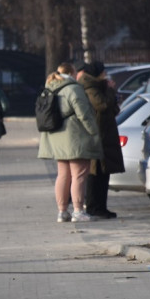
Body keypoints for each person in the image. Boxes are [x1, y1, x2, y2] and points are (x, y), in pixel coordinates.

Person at [38, 63, 102, 223]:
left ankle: (62, 211)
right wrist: (94, 132)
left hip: (56, 137)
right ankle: (79, 211)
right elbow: (84, 114)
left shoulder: (50, 87)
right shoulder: (74, 89)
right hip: (75, 137)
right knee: (79, 175)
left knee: (63, 175)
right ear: (72, 73)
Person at [76, 61, 123, 219]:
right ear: (97, 74)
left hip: (105, 133)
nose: (105, 75)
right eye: (103, 73)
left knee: (104, 173)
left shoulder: (98, 86)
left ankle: (101, 207)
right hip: (97, 134)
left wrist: (110, 93)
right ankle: (93, 207)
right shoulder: (90, 87)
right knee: (95, 173)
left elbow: (112, 107)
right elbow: (102, 105)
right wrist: (109, 90)